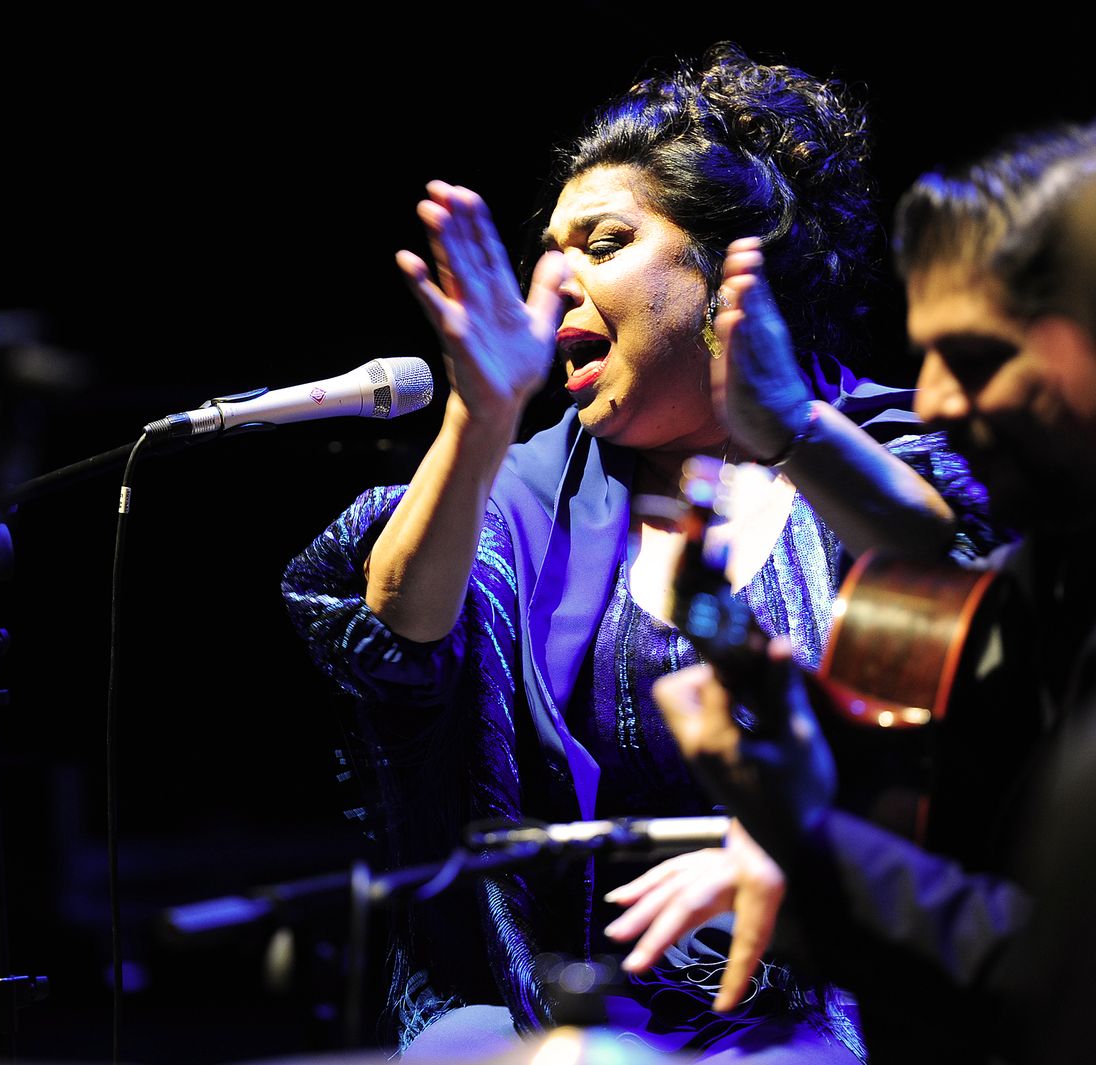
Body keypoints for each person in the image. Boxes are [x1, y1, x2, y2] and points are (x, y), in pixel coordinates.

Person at [282, 42, 1000, 1060]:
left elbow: (957, 567)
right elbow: (390, 632)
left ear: (725, 267)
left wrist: (788, 425)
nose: (555, 280)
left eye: (603, 242)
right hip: (563, 1011)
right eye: (549, 251)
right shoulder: (523, 488)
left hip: (841, 996)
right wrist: (476, 419)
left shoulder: (868, 454)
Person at [619, 127, 1096, 1064]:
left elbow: (1048, 990)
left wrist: (803, 837)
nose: (937, 400)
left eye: (977, 356)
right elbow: (943, 628)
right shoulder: (1048, 576)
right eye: (927, 357)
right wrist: (741, 652)